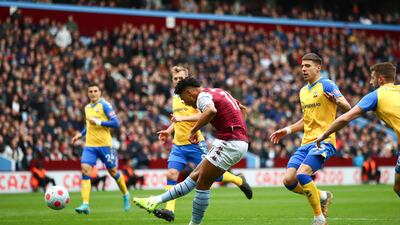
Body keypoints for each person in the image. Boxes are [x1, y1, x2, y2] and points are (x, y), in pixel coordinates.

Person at [133, 77, 250, 225]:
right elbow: (242, 108)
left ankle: (194, 223)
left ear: (189, 93)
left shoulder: (202, 96)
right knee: (194, 176)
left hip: (230, 142)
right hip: (232, 141)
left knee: (202, 184)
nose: (184, 102)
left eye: (183, 98)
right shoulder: (218, 91)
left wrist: (194, 130)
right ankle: (154, 200)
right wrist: (241, 131)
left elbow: (211, 110)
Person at [270, 53, 351, 225]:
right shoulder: (303, 91)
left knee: (302, 174)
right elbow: (306, 120)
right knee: (288, 180)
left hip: (323, 141)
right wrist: (288, 129)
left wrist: (337, 101)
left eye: (307, 66)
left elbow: (348, 107)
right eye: (302, 66)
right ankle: (322, 195)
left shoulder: (327, 84)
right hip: (306, 143)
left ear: (318, 67)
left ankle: (319, 218)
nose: (303, 69)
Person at [316, 62, 400, 197]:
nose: (370, 82)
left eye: (372, 78)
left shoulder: (375, 95)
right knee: (397, 186)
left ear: (381, 80)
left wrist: (325, 134)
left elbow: (345, 118)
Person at [71, 82, 130, 214]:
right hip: (90, 146)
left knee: (113, 172)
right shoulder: (87, 108)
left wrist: (99, 122)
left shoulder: (105, 105)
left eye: (95, 91)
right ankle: (85, 204)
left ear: (100, 92)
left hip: (105, 146)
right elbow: (89, 126)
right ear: (88, 93)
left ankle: (125, 195)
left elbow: (116, 123)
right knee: (85, 170)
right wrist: (79, 135)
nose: (93, 93)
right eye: (90, 91)